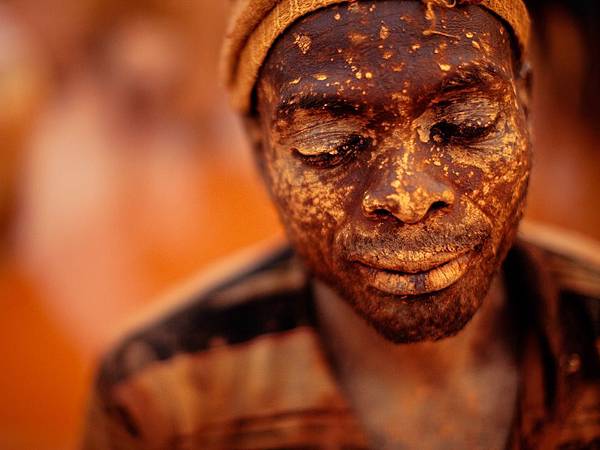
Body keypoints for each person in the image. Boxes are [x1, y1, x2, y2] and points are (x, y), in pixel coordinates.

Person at [82, 1, 600, 449]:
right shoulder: (165, 397)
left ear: (524, 108)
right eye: (330, 146)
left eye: (465, 126)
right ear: (263, 155)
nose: (409, 198)